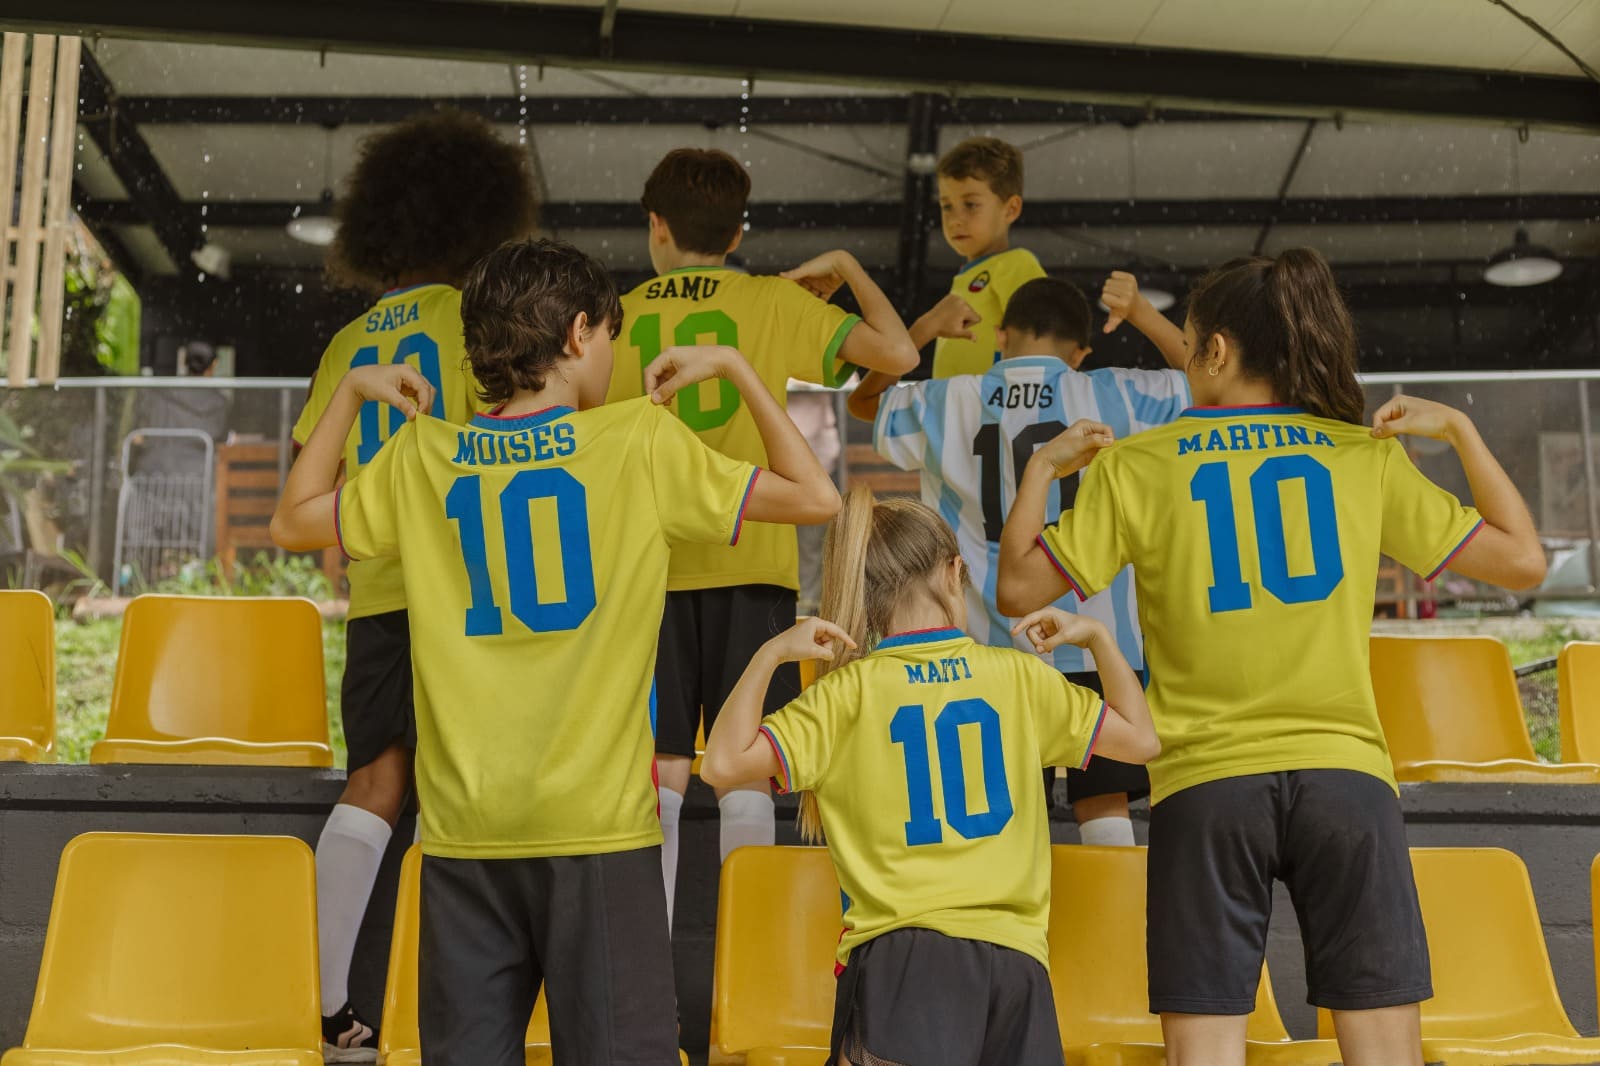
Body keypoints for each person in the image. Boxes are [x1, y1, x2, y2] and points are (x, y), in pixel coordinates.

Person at [272, 237, 841, 1066]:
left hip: (464, 838)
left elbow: (292, 521)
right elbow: (817, 497)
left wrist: (354, 393)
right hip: (601, 836)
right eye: (609, 335)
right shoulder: (640, 444)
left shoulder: (422, 459)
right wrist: (736, 368)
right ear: (579, 336)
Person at [996, 248, 1546, 1066]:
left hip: (1205, 784)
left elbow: (1016, 589)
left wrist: (1043, 466)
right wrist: (1460, 431)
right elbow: (1523, 561)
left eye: (1187, 348)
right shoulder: (1359, 455)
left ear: (1216, 351)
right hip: (1346, 782)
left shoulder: (1139, 466)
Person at [702, 484, 1157, 1066]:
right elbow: (1142, 740)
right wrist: (1098, 638)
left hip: (902, 966)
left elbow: (720, 764)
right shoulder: (1018, 678)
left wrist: (770, 655)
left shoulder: (846, 694)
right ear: (953, 571)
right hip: (1016, 967)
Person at [607, 147, 917, 925]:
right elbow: (900, 353)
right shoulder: (771, 303)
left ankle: (653, 988)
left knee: (663, 772)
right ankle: (746, 981)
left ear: (656, 225)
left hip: (652, 574)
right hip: (757, 564)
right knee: (748, 772)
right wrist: (844, 261)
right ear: (739, 230)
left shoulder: (617, 314)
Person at [289, 108, 538, 1060]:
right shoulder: (482, 320)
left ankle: (320, 1004)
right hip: (471, 592)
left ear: (377, 226)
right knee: (464, 796)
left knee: (375, 780)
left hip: (382, 589)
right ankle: (459, 1013)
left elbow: (315, 490)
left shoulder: (348, 344)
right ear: (482, 221)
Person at [849, 275, 1188, 846]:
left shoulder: (949, 397)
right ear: (1081, 351)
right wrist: (1141, 316)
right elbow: (1207, 383)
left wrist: (927, 328)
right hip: (1096, 640)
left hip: (986, 646)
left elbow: (864, 401)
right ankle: (1116, 932)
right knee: (1103, 806)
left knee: (1002, 806)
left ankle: (1014, 928)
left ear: (1001, 334)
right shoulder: (1113, 393)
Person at [914, 137, 1047, 379]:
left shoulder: (1016, 264)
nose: (955, 219)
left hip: (994, 412)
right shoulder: (965, 277)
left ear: (1011, 209)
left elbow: (1043, 340)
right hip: (958, 412)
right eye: (947, 206)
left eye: (971, 204)